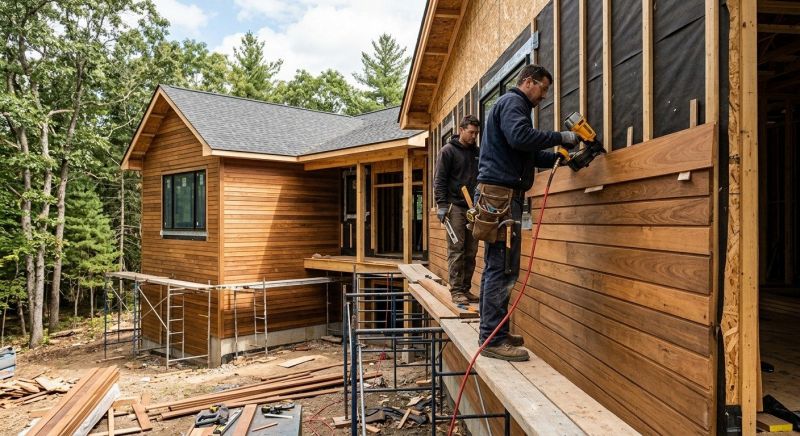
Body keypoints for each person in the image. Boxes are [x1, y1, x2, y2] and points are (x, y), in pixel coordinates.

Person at [475, 65, 579, 361]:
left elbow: (526, 153)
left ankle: (494, 331)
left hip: (500, 195)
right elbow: (521, 138)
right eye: (543, 89)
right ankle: (492, 339)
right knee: (502, 267)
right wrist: (561, 137)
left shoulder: (513, 107)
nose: (544, 96)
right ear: (528, 82)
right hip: (501, 197)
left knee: (497, 264)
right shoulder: (513, 102)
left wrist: (558, 157)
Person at [434, 115, 481, 305]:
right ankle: (456, 291)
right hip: (454, 207)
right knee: (457, 249)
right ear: (461, 130)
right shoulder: (448, 151)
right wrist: (441, 205)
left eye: (476, 133)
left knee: (471, 251)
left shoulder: (477, 153)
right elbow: (439, 180)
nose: (474, 136)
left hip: (473, 208)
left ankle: (466, 289)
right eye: (471, 132)